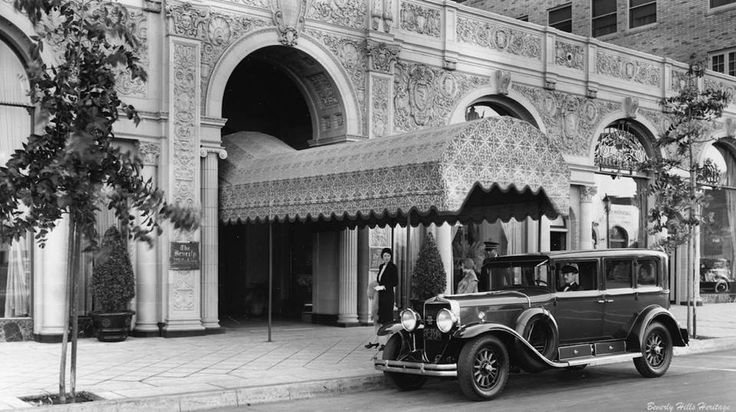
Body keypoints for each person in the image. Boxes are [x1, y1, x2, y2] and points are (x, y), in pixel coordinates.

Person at [365, 248, 398, 349]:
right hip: (380, 296)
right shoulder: (381, 266)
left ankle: (386, 343)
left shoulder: (393, 267)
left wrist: (383, 287)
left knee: (387, 320)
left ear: (390, 256)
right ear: (382, 257)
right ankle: (378, 341)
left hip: (388, 296)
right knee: (379, 319)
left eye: (388, 256)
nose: (386, 257)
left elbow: (395, 282)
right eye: (385, 256)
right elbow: (380, 280)